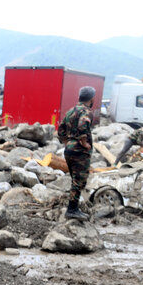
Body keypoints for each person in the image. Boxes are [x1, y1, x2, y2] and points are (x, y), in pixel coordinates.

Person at [57, 86, 96, 221]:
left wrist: (66, 141)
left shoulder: (70, 111)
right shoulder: (87, 111)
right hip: (80, 151)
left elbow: (61, 128)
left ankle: (73, 207)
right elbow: (82, 125)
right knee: (79, 181)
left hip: (69, 149)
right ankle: (72, 209)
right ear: (91, 99)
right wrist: (84, 142)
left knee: (75, 180)